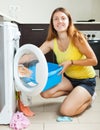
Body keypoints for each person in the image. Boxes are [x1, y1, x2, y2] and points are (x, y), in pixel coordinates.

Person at [39, 7, 98, 116]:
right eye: (55, 19)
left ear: (69, 21)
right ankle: (75, 95)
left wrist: (71, 62)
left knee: (65, 111)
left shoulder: (77, 38)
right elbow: (35, 54)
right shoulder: (51, 42)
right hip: (69, 79)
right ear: (52, 23)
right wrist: (17, 59)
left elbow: (94, 61)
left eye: (63, 18)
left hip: (86, 81)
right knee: (44, 93)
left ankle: (90, 98)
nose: (59, 21)